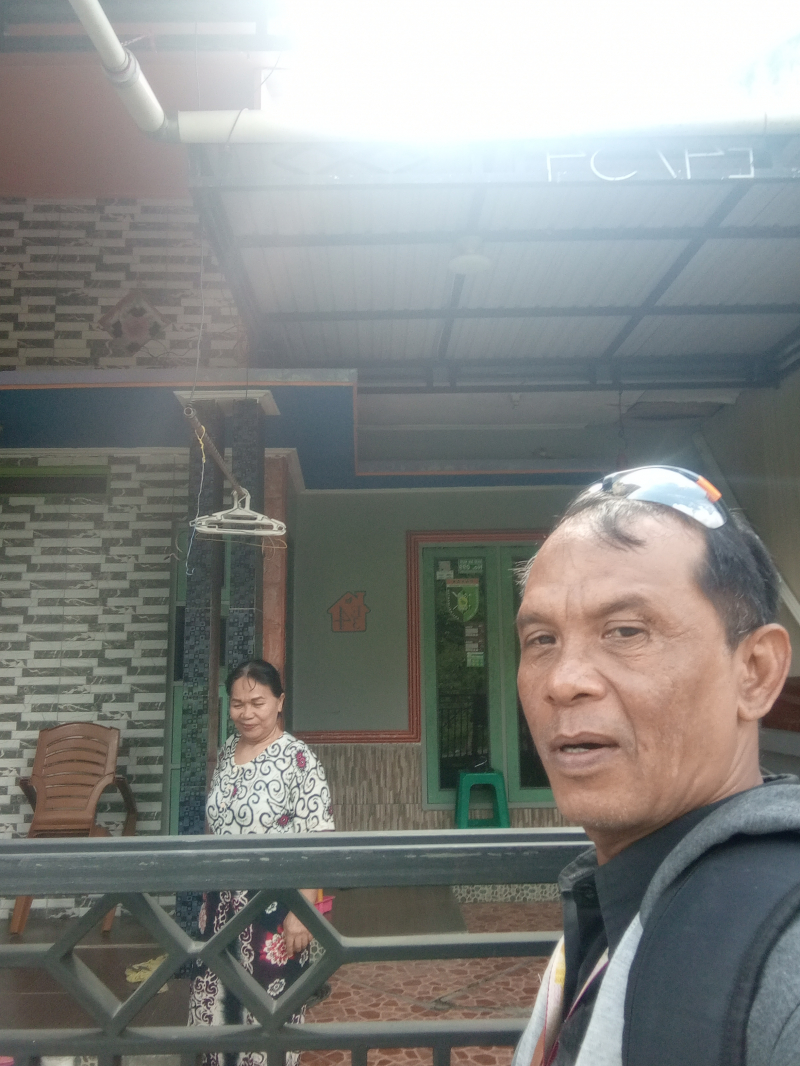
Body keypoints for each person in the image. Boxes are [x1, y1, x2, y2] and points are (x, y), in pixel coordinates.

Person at [511, 466, 800, 1066]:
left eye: (625, 631)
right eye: (542, 640)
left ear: (755, 672)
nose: (563, 681)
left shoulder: (782, 951)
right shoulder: (623, 898)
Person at [188, 659, 335, 1066]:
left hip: (276, 907)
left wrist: (303, 911)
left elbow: (319, 840)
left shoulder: (299, 759)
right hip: (220, 907)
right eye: (237, 704)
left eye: (257, 702)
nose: (247, 713)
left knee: (269, 1015)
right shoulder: (227, 752)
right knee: (213, 1012)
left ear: (279, 702)